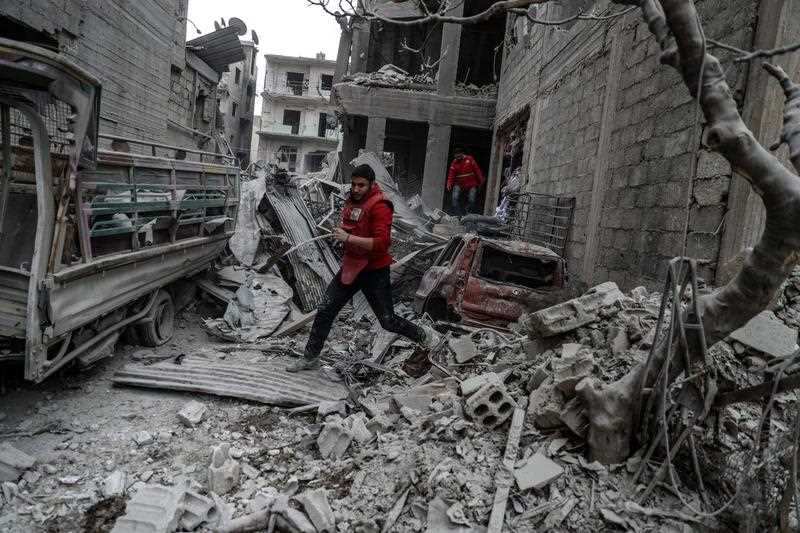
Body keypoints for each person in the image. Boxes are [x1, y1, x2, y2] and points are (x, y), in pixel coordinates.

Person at [287, 164, 439, 372]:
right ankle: (310, 357)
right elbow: (352, 227)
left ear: (371, 184)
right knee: (325, 309)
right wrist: (342, 234)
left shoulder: (381, 205)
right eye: (354, 184)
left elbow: (382, 243)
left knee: (388, 321)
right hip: (351, 267)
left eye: (361, 185)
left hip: (374, 271)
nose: (356, 189)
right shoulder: (352, 201)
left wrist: (348, 238)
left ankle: (425, 336)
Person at [446, 148, 485, 216]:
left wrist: (481, 180)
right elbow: (451, 174)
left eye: (459, 156)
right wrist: (449, 183)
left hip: (471, 184)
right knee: (454, 198)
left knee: (472, 200)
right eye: (456, 157)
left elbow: (477, 170)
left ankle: (467, 212)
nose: (457, 158)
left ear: (462, 154)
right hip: (459, 184)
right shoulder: (454, 163)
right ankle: (459, 215)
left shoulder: (470, 159)